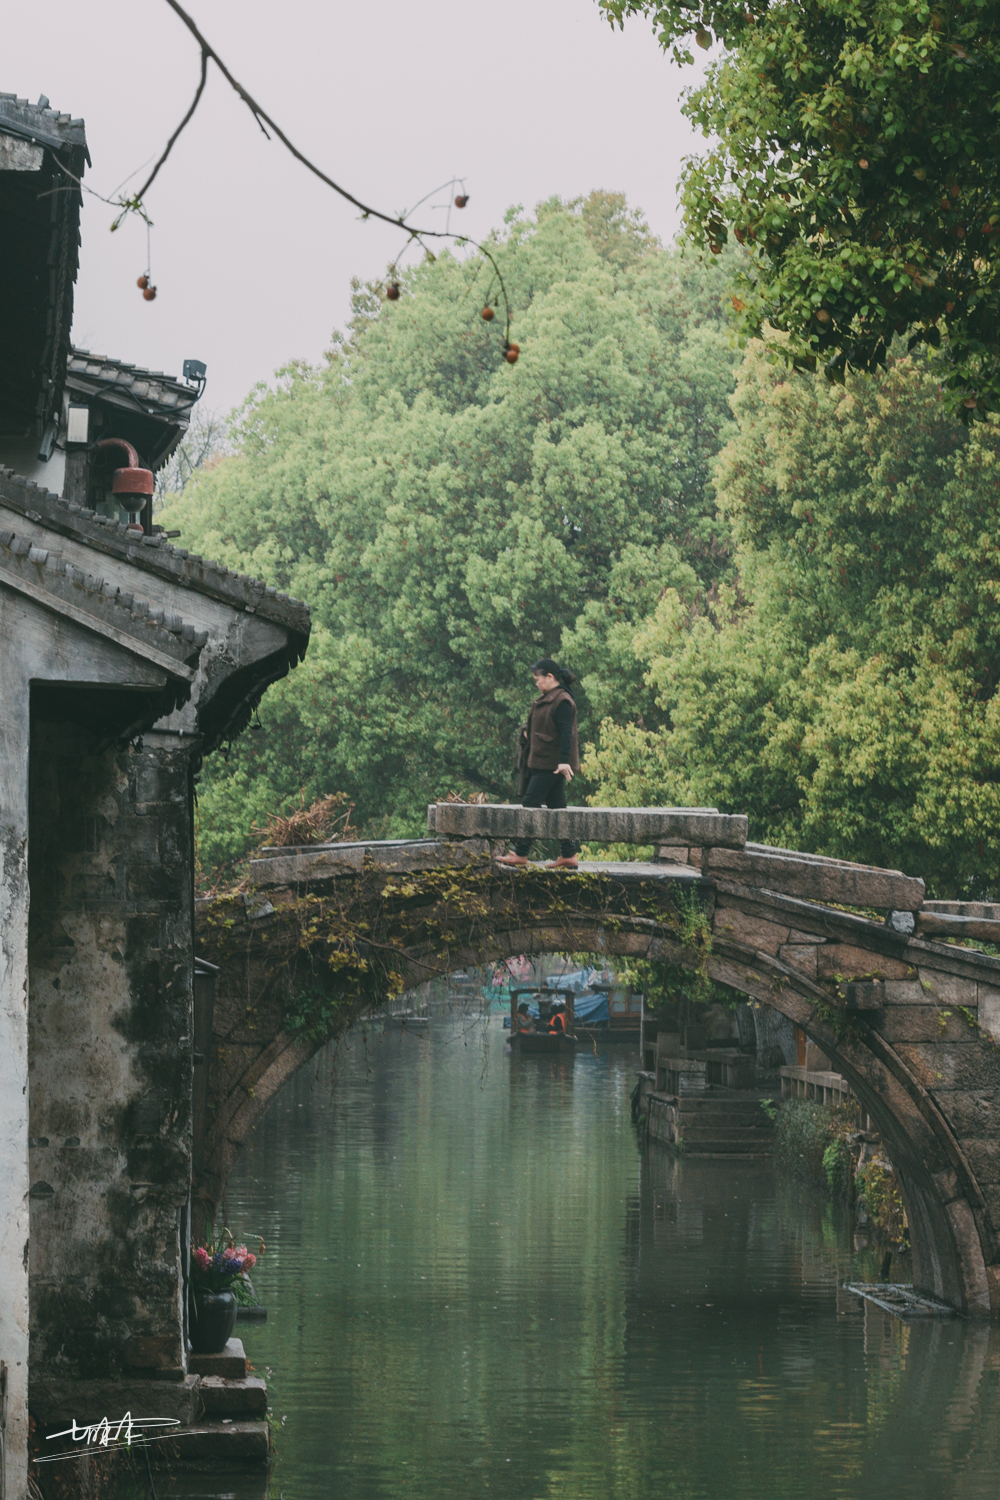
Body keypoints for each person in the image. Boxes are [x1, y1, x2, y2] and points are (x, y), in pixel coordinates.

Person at [497, 658, 581, 869]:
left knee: (530, 805)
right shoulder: (548, 698)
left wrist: (563, 762)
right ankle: (569, 854)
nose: (536, 683)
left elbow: (566, 733)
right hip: (544, 763)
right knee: (557, 807)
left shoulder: (562, 700)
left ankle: (521, 853)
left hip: (550, 765)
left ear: (549, 677)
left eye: (538, 679)